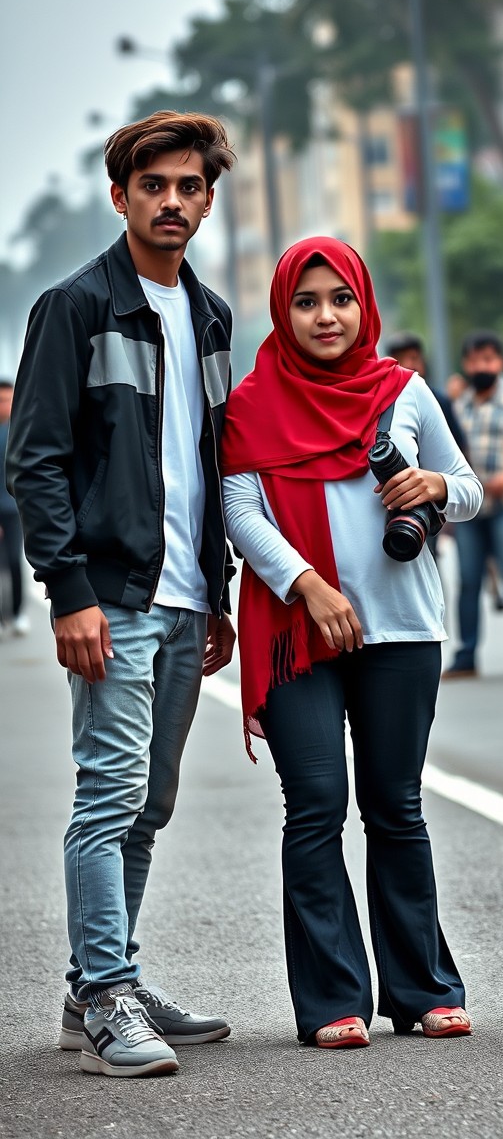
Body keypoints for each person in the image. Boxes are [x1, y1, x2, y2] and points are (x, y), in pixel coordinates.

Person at [6, 111, 238, 1077]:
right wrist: (68, 591)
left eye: (189, 187)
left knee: (151, 804)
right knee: (108, 796)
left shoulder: (214, 315)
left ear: (207, 199)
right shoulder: (76, 306)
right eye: (155, 187)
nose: (173, 202)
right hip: (113, 593)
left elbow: (212, 460)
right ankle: (107, 995)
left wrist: (218, 591)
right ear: (122, 196)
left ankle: (101, 982)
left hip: (187, 597)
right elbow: (38, 461)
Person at [221, 236, 482, 1049]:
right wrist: (310, 587)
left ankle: (423, 989)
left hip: (402, 630)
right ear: (283, 311)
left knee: (396, 807)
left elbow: (469, 489)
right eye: (307, 301)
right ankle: (332, 1000)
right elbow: (239, 513)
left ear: (363, 304)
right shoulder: (251, 404)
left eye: (340, 299)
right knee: (317, 808)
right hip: (297, 633)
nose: (325, 315)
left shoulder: (403, 392)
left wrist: (437, 485)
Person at [443, 331, 503, 679]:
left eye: (489, 359)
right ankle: (466, 656)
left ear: (500, 362)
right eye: (474, 360)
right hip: (470, 506)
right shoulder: (458, 402)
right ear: (466, 364)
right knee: (468, 580)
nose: (481, 366)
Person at [384, 331, 468, 454]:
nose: (408, 364)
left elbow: (458, 448)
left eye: (413, 358)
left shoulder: (439, 401)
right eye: (400, 359)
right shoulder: (383, 404)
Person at [0, 379, 28, 636]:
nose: (4, 405)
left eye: (8, 399)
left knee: (14, 562)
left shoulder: (20, 430)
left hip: (15, 513)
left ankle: (18, 613)